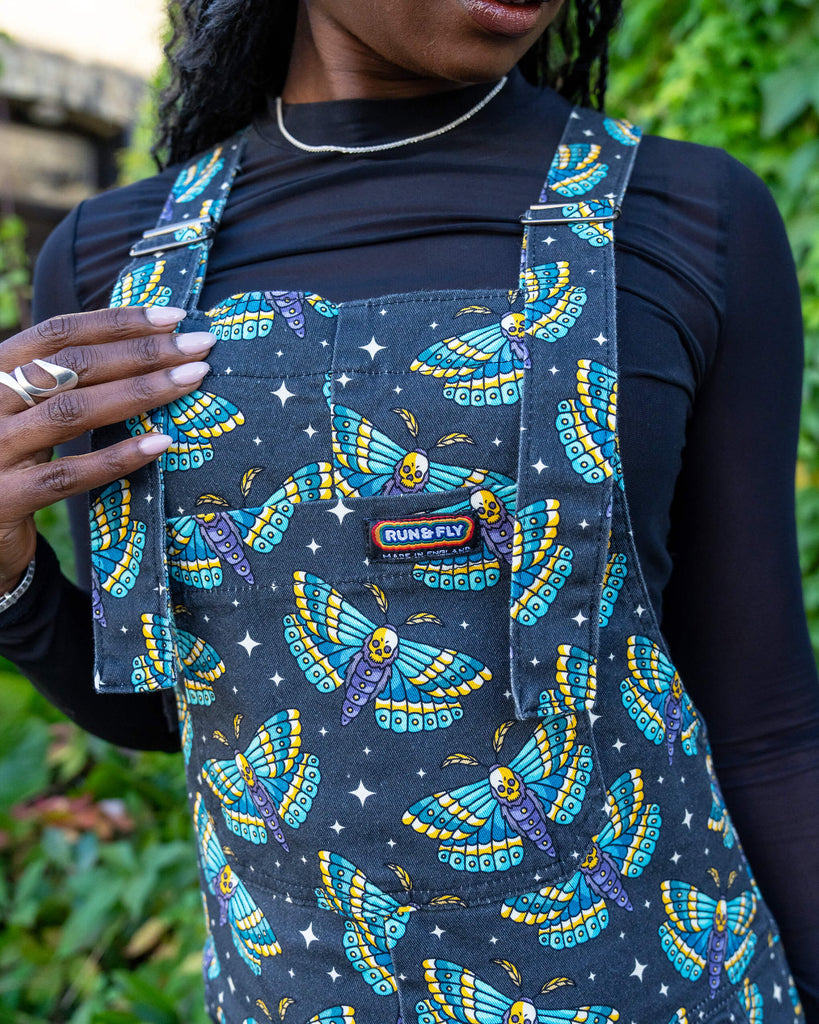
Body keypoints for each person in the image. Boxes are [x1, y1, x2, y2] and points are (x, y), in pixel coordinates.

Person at [1, 0, 817, 1020]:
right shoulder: (113, 266)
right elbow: (178, 704)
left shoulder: (687, 217)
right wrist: (10, 574)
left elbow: (765, 723)